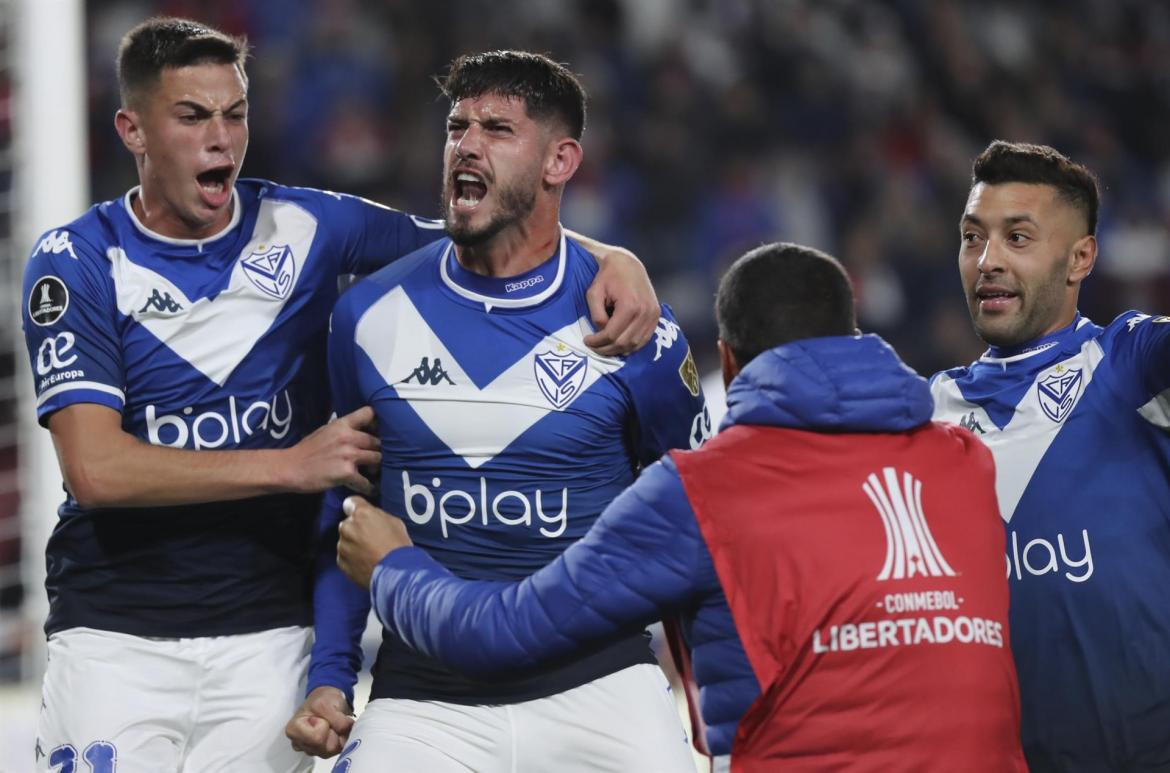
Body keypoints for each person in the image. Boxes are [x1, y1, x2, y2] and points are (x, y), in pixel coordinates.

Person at [20, 18, 661, 773]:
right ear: (133, 128)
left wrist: (615, 256)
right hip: (115, 632)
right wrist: (291, 465)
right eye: (193, 117)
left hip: (269, 633)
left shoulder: (309, 224)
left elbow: (484, 231)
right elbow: (97, 470)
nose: (221, 139)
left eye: (235, 114)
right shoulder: (77, 260)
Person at [328, 242, 1028, 772]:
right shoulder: (965, 462)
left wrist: (394, 568)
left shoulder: (710, 488)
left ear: (726, 354)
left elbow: (506, 632)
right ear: (856, 330)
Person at [284, 51, 709, 772]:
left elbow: (705, 524)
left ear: (560, 160)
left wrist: (715, 707)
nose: (467, 145)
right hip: (423, 700)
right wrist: (330, 676)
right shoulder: (366, 315)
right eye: (456, 126)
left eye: (497, 128)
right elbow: (346, 516)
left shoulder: (632, 324)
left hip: (601, 684)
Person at [931, 140, 1170, 771]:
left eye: (1017, 238)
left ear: (1080, 258)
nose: (987, 260)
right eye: (971, 237)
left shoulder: (1128, 363)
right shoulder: (923, 412)